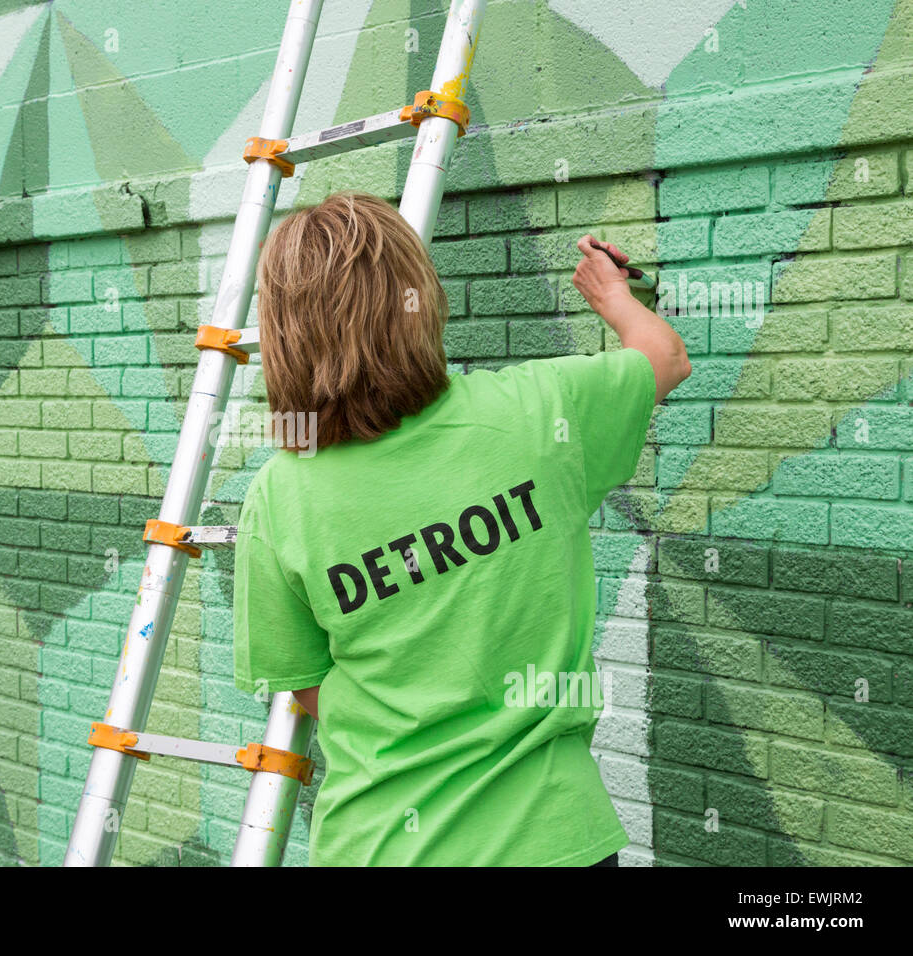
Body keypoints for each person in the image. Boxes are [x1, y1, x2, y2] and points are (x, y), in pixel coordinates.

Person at [232, 190, 691, 866]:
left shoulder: (278, 496)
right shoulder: (541, 412)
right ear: (417, 297)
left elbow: (308, 684)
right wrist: (611, 294)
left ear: (283, 327)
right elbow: (665, 358)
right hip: (553, 839)